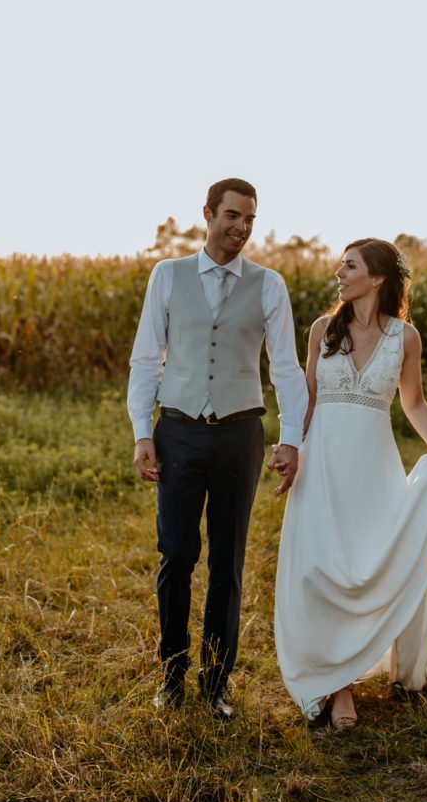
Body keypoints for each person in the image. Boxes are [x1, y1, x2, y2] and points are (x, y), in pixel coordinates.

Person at [128, 177, 308, 717]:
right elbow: (145, 359)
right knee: (177, 554)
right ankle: (172, 675)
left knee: (228, 562)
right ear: (207, 213)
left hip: (239, 434)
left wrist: (291, 438)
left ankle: (216, 683)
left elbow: (286, 368)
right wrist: (142, 431)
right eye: (233, 216)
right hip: (178, 430)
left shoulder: (269, 285)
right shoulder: (168, 275)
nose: (242, 228)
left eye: (250, 219)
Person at [274, 238, 427, 730]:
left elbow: (412, 402)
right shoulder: (321, 330)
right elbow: (306, 399)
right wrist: (289, 446)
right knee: (323, 569)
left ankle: (359, 664)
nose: (339, 272)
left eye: (349, 266)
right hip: (323, 465)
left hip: (374, 469)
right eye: (340, 264)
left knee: (367, 568)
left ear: (376, 278)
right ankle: (339, 685)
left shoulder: (404, 337)